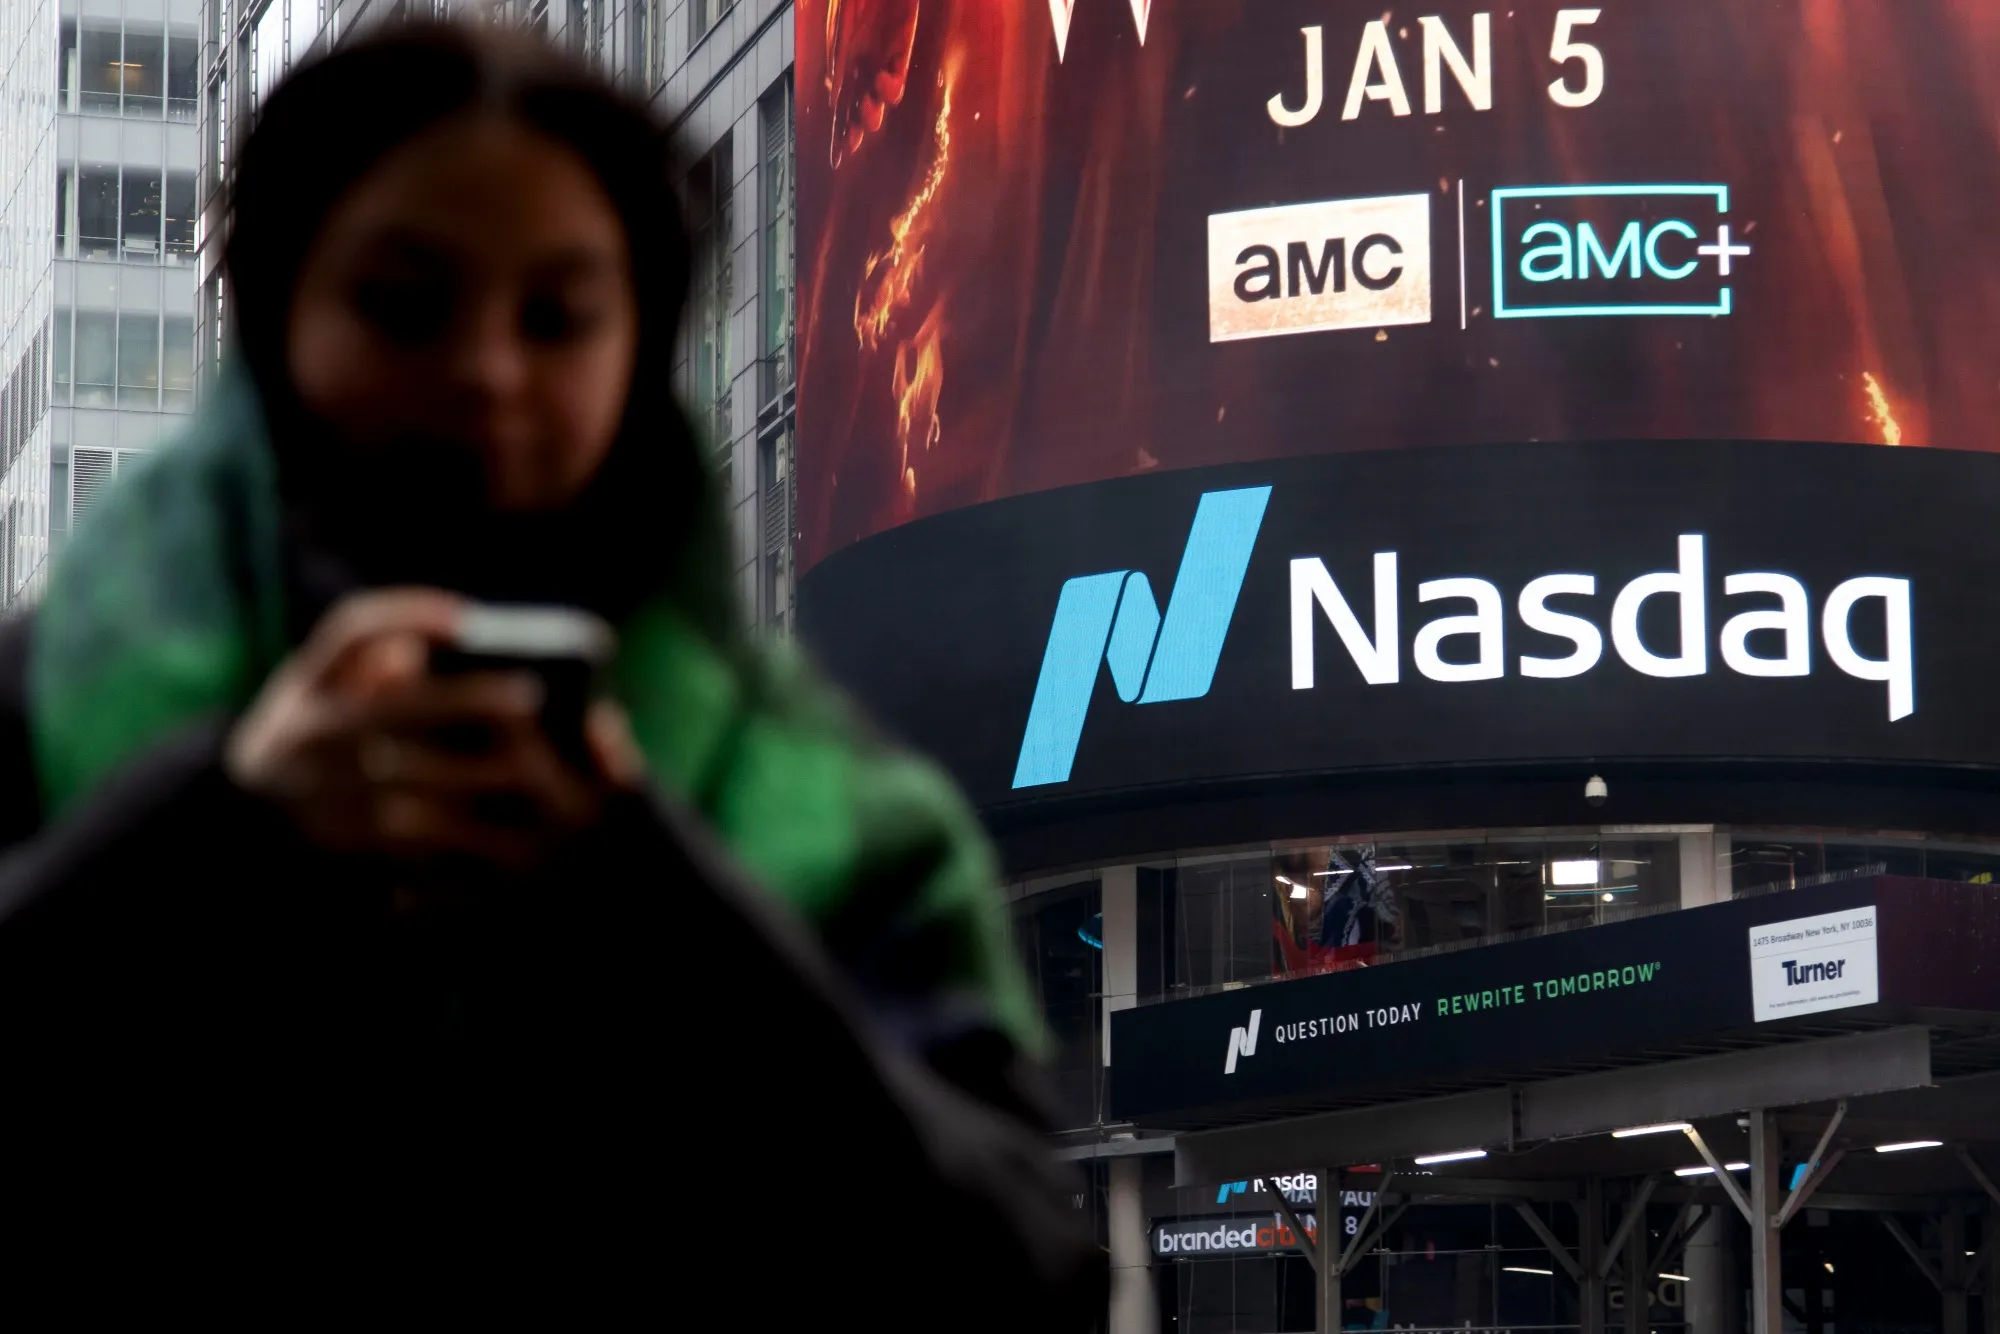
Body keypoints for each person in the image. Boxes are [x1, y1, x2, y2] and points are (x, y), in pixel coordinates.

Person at [0, 21, 1102, 1319]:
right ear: (274, 313)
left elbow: (1025, 1279)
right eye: (404, 304)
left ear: (640, 351)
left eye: (559, 315)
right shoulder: (49, 710)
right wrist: (219, 830)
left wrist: (654, 885)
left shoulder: (834, 805)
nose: (484, 374)